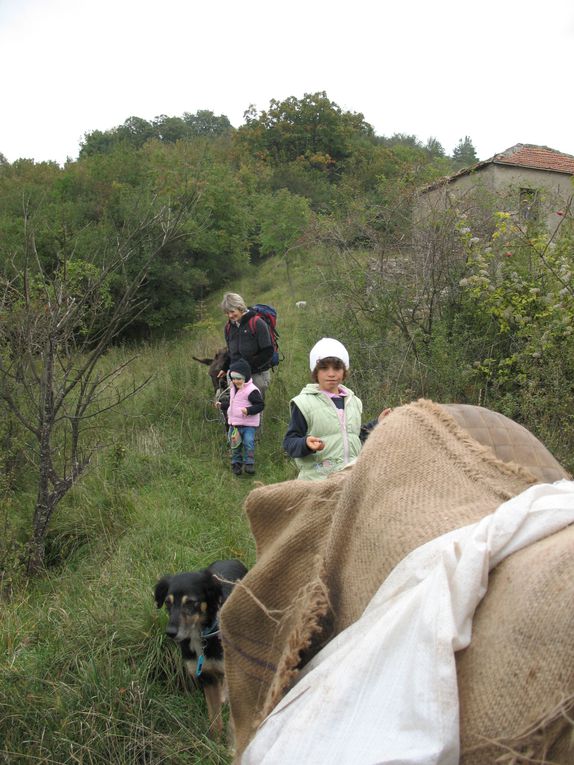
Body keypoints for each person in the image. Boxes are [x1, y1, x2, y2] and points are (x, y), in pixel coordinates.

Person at [283, 338, 390, 481]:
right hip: (317, 482)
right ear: (315, 372)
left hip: (350, 480)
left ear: (344, 371)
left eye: (337, 368)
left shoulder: (354, 402)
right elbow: (290, 443)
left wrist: (377, 423)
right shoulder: (303, 403)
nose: (331, 374)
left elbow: (354, 437)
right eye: (324, 368)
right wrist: (305, 443)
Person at [218, 292, 274, 400]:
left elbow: (268, 352)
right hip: (235, 375)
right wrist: (225, 368)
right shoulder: (228, 328)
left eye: (232, 311)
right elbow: (232, 352)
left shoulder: (257, 323)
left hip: (257, 374)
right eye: (227, 313)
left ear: (240, 307)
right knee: (238, 407)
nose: (230, 316)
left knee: (253, 409)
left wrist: (247, 369)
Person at [217, 359, 264, 476]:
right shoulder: (233, 389)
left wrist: (248, 410)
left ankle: (249, 463)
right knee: (235, 444)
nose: (235, 381)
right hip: (235, 424)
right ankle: (236, 464)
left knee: (248, 442)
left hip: (248, 425)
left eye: (239, 379)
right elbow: (233, 404)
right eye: (233, 378)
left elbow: (260, 405)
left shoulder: (252, 391)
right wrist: (222, 405)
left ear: (246, 377)